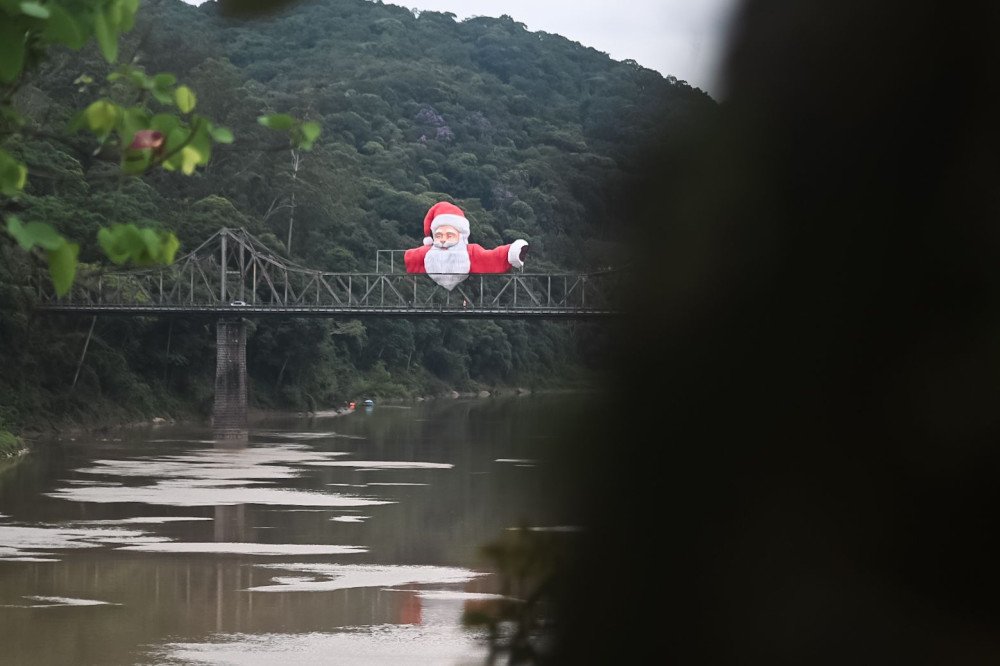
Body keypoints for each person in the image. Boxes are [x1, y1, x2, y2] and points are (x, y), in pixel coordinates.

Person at [403, 201, 528, 290]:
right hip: (445, 272)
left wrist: (512, 253)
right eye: (439, 236)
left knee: (483, 259)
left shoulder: (469, 252)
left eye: (450, 235)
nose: (443, 240)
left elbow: (489, 258)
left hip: (462, 266)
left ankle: (514, 252)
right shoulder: (429, 252)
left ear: (461, 235)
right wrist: (405, 259)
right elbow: (411, 258)